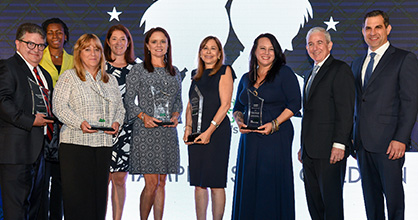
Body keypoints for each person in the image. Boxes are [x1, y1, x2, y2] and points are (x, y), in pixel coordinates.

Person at [351, 10, 418, 220]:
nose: (373, 33)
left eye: (378, 27)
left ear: (388, 29)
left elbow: (410, 103)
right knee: (371, 203)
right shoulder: (356, 63)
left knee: (394, 201)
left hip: (389, 144)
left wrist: (400, 139)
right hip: (362, 144)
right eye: (368, 28)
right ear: (362, 31)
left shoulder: (404, 59)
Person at [52, 33, 125, 220]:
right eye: (87, 49)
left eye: (97, 49)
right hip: (75, 145)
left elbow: (120, 109)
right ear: (79, 53)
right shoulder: (69, 77)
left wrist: (117, 122)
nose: (93, 53)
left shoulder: (110, 80)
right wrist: (79, 123)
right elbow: (58, 107)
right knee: (76, 200)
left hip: (102, 145)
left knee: (98, 200)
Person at [232, 33, 301, 220]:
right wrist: (239, 121)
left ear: (276, 53)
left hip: (275, 137)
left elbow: (295, 104)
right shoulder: (246, 78)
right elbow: (238, 107)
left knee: (270, 186)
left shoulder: (284, 73)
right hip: (250, 140)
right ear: (254, 51)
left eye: (271, 49)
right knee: (250, 185)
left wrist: (274, 123)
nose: (266, 53)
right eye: (262, 48)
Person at [125, 27, 182, 220]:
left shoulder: (175, 72)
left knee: (162, 183)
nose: (159, 45)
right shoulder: (138, 70)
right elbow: (128, 100)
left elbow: (178, 102)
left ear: (168, 45)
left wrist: (175, 116)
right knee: (151, 183)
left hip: (166, 132)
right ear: (147, 46)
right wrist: (143, 116)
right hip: (146, 131)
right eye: (155, 42)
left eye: (163, 41)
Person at [298, 27, 355, 220]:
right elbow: (309, 114)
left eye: (319, 42)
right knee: (315, 205)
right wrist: (302, 146)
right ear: (306, 48)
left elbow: (346, 111)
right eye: (311, 44)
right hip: (309, 152)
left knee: (331, 205)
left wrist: (339, 143)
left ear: (330, 45)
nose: (315, 48)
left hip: (331, 151)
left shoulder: (340, 69)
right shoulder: (308, 74)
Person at [0, 23, 53, 220]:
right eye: (30, 44)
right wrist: (31, 120)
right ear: (17, 43)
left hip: (39, 151)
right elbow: (2, 102)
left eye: (40, 46)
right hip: (15, 152)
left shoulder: (44, 75)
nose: (36, 50)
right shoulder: (7, 67)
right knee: (15, 209)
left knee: (34, 208)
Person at [183, 36, 235, 220]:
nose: (208, 52)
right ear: (200, 52)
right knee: (198, 182)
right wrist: (187, 127)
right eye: (205, 48)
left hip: (216, 133)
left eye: (213, 48)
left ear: (219, 53)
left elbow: (226, 104)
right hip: (197, 133)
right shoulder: (195, 75)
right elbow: (190, 104)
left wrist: (209, 132)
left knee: (216, 183)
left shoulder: (225, 70)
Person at [38, 17, 73, 220]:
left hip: (66, 127)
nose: (55, 36)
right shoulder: (37, 58)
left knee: (62, 179)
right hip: (43, 126)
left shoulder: (73, 60)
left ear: (66, 36)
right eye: (50, 33)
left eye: (59, 32)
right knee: (42, 179)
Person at [104, 24, 137, 220]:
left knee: (119, 180)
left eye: (123, 39)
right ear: (108, 42)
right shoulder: (100, 67)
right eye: (114, 38)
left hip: (127, 131)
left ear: (128, 42)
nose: (118, 43)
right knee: (102, 180)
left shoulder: (137, 69)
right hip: (102, 130)